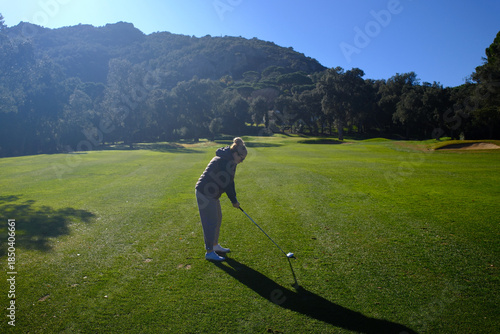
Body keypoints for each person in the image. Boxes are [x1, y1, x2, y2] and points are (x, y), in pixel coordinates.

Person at [195, 137, 248, 261]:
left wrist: (234, 199)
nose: (242, 161)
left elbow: (231, 182)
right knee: (210, 222)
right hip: (205, 193)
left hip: (212, 194)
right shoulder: (224, 161)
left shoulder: (231, 161)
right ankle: (209, 252)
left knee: (218, 218)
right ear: (235, 154)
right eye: (242, 158)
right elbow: (227, 185)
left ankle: (215, 245)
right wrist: (234, 201)